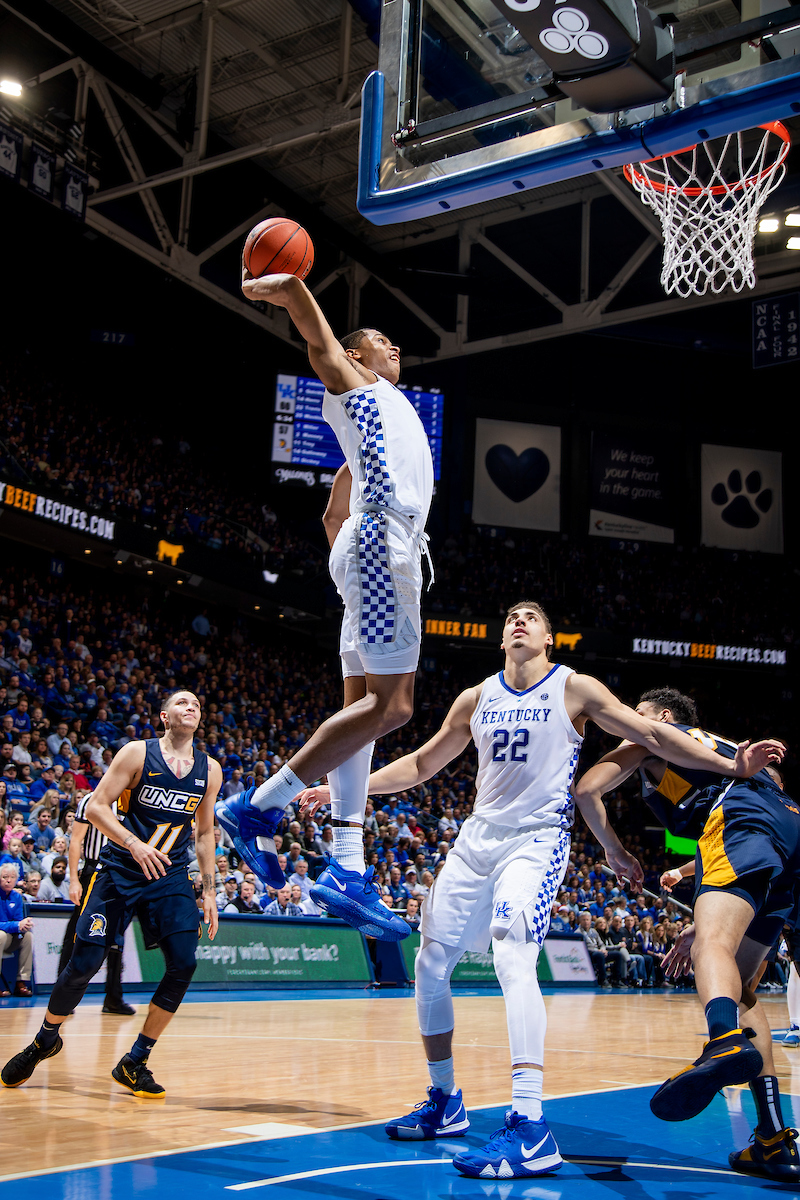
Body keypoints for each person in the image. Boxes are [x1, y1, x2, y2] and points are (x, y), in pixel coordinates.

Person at [298, 604, 779, 1178]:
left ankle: (530, 1125)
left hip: (536, 839)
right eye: (511, 617)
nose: (519, 621)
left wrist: (734, 764)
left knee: (511, 956)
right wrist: (350, 796)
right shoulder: (476, 697)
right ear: (503, 636)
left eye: (532, 617)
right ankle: (445, 1101)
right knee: (429, 962)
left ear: (549, 637)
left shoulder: (575, 687)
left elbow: (653, 732)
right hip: (477, 837)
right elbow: (425, 762)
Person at [216, 260, 434, 943]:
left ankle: (347, 866)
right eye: (381, 343)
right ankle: (258, 807)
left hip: (365, 546)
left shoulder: (380, 423)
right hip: (383, 544)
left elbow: (330, 519)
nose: (394, 350)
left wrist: (350, 530)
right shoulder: (360, 388)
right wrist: (293, 291)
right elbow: (319, 344)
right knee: (392, 707)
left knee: (361, 717)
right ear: (359, 356)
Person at [573, 686, 796, 1181]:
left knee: (712, 953)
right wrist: (700, 919)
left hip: (742, 825)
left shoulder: (653, 737)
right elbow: (758, 804)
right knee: (743, 991)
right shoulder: (711, 750)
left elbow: (586, 789)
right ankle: (774, 1139)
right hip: (786, 832)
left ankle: (722, 1042)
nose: (629, 717)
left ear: (664, 717)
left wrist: (613, 849)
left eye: (638, 712)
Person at [1, 690, 221, 1097]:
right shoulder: (137, 753)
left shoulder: (211, 771)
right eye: (182, 703)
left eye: (196, 704)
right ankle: (46, 1040)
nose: (191, 707)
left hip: (170, 875)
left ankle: (135, 1060)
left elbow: (205, 833)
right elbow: (97, 807)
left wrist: (208, 889)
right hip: (120, 868)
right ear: (164, 716)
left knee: (184, 963)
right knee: (83, 964)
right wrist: (133, 843)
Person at [55, 792, 135, 1015]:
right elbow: (76, 840)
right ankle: (62, 993)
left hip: (122, 872)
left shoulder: (133, 800)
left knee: (117, 936)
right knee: (79, 930)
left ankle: (113, 997)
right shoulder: (92, 799)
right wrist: (74, 880)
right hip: (95, 871)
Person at [0, 863, 33, 997]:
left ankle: (21, 982)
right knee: (0, 935)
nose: (9, 880)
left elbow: (18, 921)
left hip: (10, 938)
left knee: (28, 936)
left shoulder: (17, 897)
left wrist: (24, 925)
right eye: (5, 877)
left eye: (12, 877)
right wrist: (17, 925)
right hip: (2, 936)